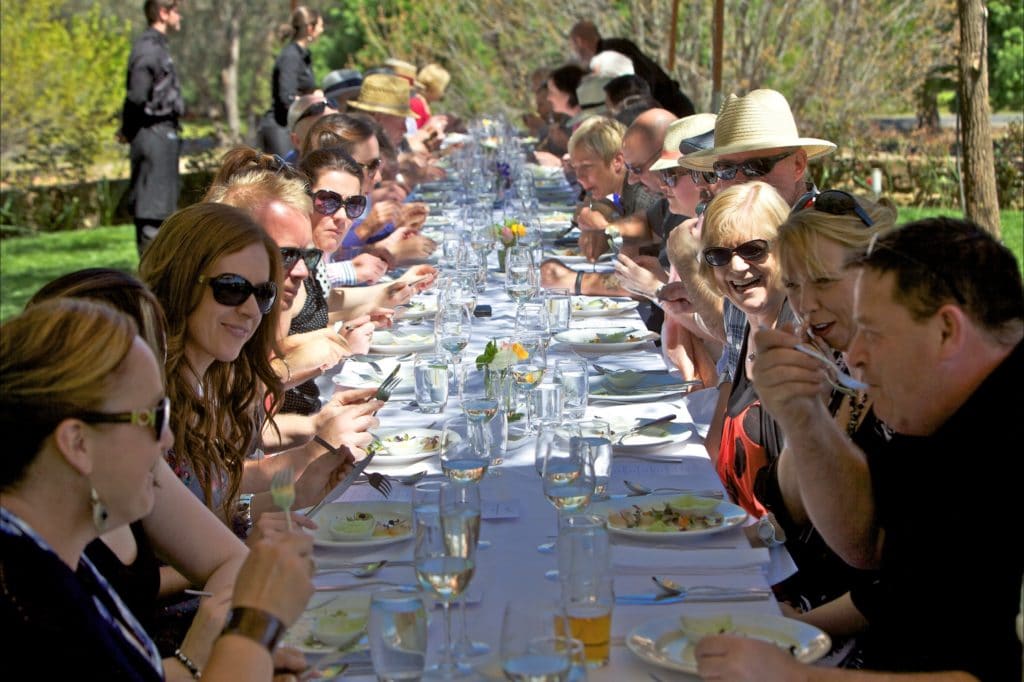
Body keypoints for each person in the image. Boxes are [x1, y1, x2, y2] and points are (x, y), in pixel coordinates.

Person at [700, 217, 1024, 680]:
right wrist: (801, 413)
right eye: (794, 285)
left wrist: (794, 675)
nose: (853, 356)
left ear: (947, 330)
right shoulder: (937, 412)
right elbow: (869, 548)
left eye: (872, 332)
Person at [0, 298, 315, 680]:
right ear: (77, 444)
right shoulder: (25, 591)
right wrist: (255, 626)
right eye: (152, 416)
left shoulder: (55, 556)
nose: (166, 440)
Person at [138, 202, 357, 526]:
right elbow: (138, 573)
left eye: (262, 293)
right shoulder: (143, 400)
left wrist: (299, 490)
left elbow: (215, 505)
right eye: (232, 289)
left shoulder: (212, 377)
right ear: (181, 280)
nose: (251, 310)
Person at [678, 87, 837, 459]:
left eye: (754, 167)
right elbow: (732, 376)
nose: (739, 181)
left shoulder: (828, 245)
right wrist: (713, 477)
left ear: (799, 164)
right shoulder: (733, 239)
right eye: (725, 169)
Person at [696, 181, 797, 516]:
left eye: (753, 249)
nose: (737, 267)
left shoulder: (802, 340)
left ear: (787, 249)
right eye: (720, 255)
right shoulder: (743, 318)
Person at [120, 0, 184, 257]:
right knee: (151, 212)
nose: (180, 16)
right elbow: (137, 96)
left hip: (163, 135)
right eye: (176, 10)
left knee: (163, 212)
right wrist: (128, 128)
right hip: (152, 135)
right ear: (162, 12)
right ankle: (151, 282)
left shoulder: (158, 47)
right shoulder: (148, 49)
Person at [569, 20, 695, 117]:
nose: (574, 51)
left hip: (669, 111)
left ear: (579, 41)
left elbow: (642, 83)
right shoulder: (611, 51)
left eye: (573, 45)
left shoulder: (612, 54)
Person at [257, 6, 323, 157]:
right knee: (286, 178)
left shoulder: (303, 56)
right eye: (320, 26)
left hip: (293, 127)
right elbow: (287, 98)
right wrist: (313, 101)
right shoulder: (290, 56)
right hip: (280, 128)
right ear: (309, 28)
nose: (322, 30)